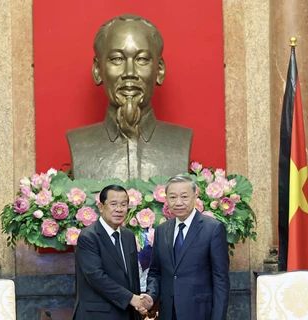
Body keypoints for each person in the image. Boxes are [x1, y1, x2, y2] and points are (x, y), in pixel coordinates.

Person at [67, 14, 192, 181]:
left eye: (142, 59)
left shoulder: (180, 140)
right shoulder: (79, 143)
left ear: (159, 70)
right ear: (98, 70)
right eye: (117, 59)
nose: (130, 73)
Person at [142, 175, 230, 320]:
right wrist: (151, 296)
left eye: (184, 197)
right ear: (166, 200)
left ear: (195, 196)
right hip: (168, 313)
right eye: (172, 197)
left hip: (200, 312)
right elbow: (156, 272)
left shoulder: (212, 229)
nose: (178, 202)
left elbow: (221, 280)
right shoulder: (162, 230)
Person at [73, 184, 149, 320]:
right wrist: (131, 298)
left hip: (127, 313)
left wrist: (138, 305)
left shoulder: (128, 236)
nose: (119, 209)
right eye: (113, 204)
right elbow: (95, 276)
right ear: (101, 207)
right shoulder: (89, 236)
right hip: (97, 315)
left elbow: (132, 277)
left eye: (123, 205)